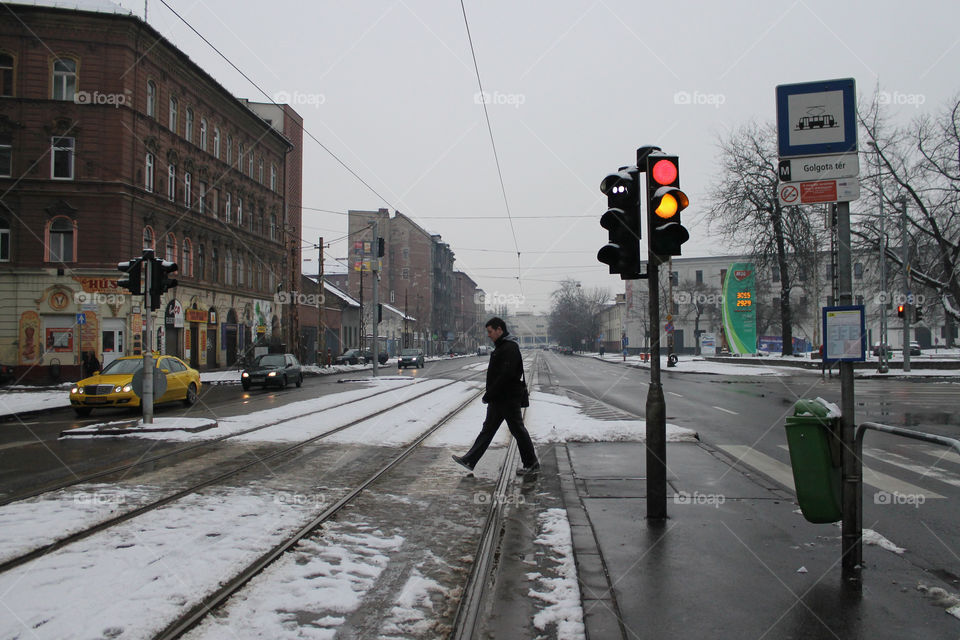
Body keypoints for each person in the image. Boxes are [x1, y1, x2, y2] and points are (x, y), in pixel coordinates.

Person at [453, 317, 539, 475]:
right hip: (499, 398)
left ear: (499, 330)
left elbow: (507, 375)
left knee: (517, 430)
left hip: (507, 398)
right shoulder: (503, 346)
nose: (488, 335)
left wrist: (490, 393)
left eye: (490, 331)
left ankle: (531, 463)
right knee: (488, 430)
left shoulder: (509, 348)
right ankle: (470, 460)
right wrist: (492, 394)